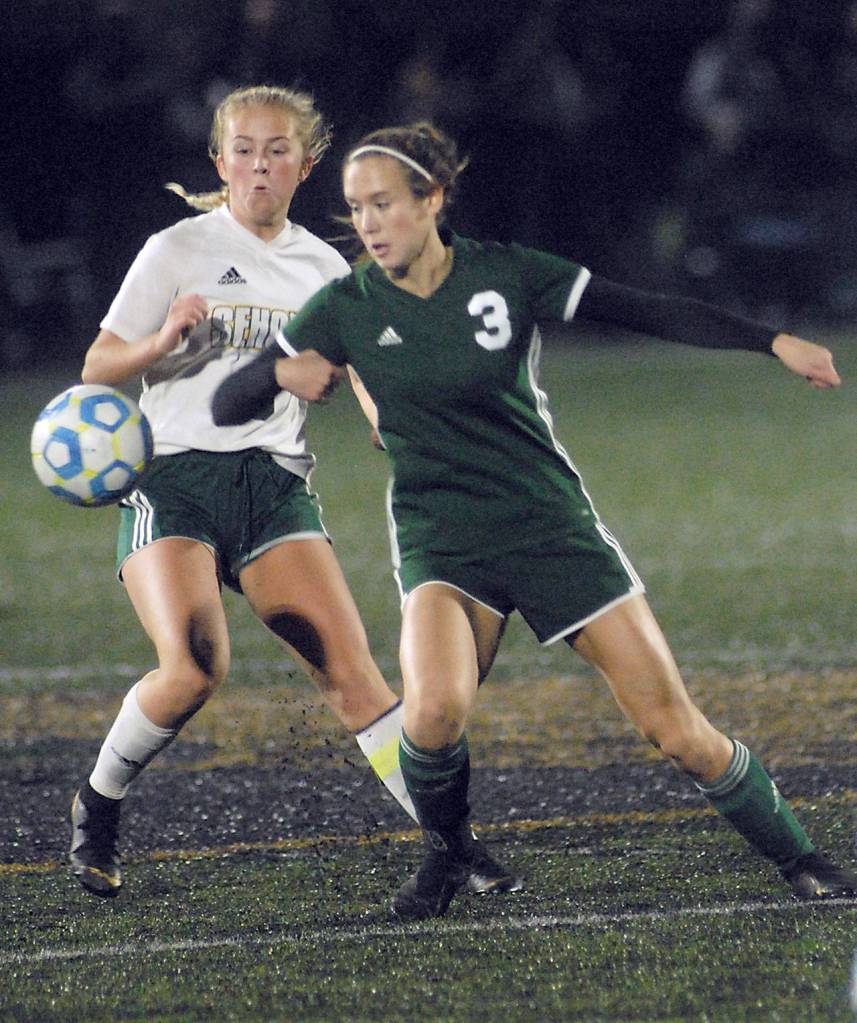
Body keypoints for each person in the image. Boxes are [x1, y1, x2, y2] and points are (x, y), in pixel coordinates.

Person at [211, 121, 857, 921]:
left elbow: (641, 309)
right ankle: (445, 856)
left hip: (550, 529)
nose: (368, 223)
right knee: (431, 714)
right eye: (356, 207)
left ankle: (801, 858)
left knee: (677, 732)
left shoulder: (506, 274)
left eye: (383, 203)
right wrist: (278, 371)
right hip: (443, 543)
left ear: (432, 198)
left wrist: (771, 341)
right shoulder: (345, 306)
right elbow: (227, 399)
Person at [68, 85, 440, 899]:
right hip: (173, 479)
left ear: (306, 165)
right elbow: (97, 366)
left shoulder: (322, 267)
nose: (259, 166)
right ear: (220, 161)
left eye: (277, 151)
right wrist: (163, 340)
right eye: (243, 150)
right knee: (194, 668)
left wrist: (386, 418)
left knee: (352, 676)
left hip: (273, 486)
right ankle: (98, 805)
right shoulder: (176, 249)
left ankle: (452, 844)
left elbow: (360, 367)